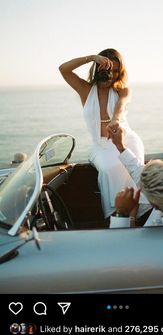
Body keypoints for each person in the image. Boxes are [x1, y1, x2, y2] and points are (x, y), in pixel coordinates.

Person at [59, 48, 150, 218]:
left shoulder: (123, 91)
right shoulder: (85, 90)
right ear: (98, 68)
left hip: (126, 139)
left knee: (134, 169)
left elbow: (121, 106)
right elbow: (63, 69)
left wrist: (115, 119)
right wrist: (91, 57)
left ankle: (134, 217)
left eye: (116, 71)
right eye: (108, 69)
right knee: (109, 168)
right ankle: (118, 214)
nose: (112, 75)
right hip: (101, 146)